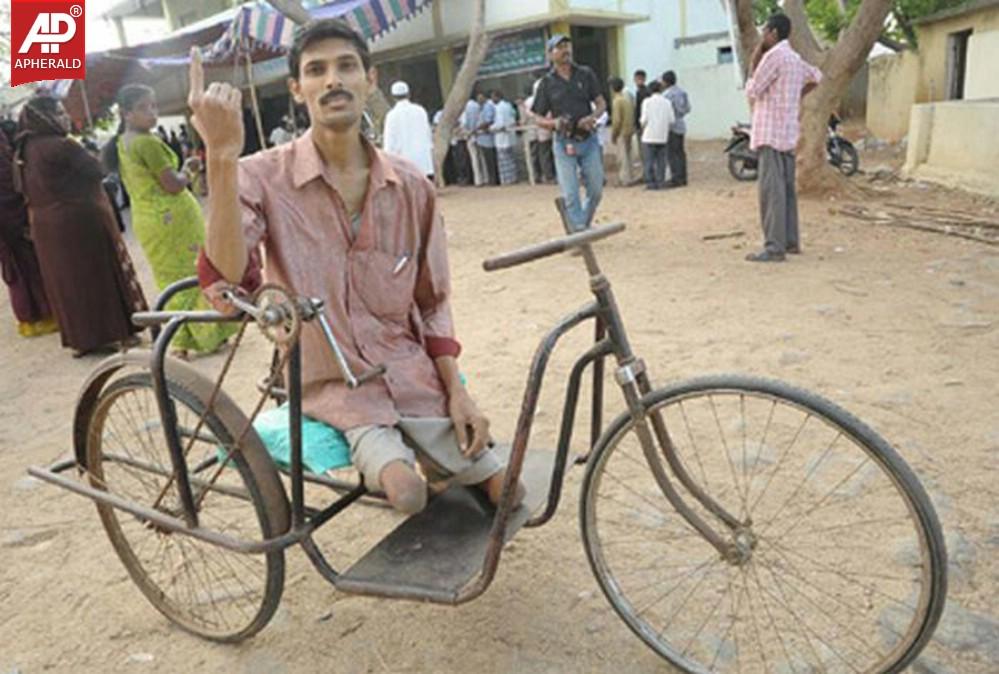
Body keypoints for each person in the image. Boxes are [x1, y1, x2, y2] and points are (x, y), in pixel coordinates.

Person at [188, 20, 524, 515]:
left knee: (510, 496)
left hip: (410, 374)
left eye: (346, 66)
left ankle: (437, 460)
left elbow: (434, 304)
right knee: (407, 495)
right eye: (316, 70)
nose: (332, 81)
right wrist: (220, 155)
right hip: (332, 384)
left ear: (371, 79)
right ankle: (410, 468)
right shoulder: (261, 177)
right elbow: (228, 278)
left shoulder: (411, 187)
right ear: (297, 90)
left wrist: (459, 393)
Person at [107, 84, 237, 357]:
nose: (152, 113)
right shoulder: (147, 143)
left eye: (154, 106)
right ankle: (209, 333)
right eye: (144, 108)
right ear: (126, 114)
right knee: (195, 273)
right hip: (173, 218)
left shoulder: (122, 143)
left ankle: (181, 339)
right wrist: (189, 169)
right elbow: (174, 185)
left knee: (169, 279)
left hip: (149, 220)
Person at [14, 96, 147, 356]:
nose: (65, 118)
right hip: (81, 222)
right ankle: (119, 332)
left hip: (46, 229)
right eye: (60, 113)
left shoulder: (22, 153)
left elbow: (20, 189)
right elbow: (98, 170)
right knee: (99, 276)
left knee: (66, 284)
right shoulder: (62, 146)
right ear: (46, 117)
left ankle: (81, 341)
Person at [745, 13, 822, 262]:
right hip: (788, 132)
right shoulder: (795, 59)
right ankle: (790, 241)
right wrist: (798, 95)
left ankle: (774, 247)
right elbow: (816, 77)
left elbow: (753, 89)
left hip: (769, 132)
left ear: (773, 33)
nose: (762, 36)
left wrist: (755, 57)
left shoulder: (774, 57)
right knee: (787, 190)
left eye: (764, 31)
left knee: (772, 192)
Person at [531, 34, 606, 230]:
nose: (565, 50)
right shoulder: (546, 83)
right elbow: (537, 117)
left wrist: (593, 117)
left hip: (588, 140)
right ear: (549, 55)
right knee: (571, 194)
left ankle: (580, 226)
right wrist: (554, 123)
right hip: (564, 144)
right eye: (559, 47)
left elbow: (601, 103)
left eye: (567, 45)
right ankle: (580, 233)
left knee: (596, 190)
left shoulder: (585, 74)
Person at [0, 118, 57, 337]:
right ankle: (39, 316)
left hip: (8, 214)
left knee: (20, 267)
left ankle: (33, 317)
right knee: (26, 265)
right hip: (9, 215)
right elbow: (7, 179)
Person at [382, 80, 434, 180]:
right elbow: (428, 137)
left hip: (404, 166)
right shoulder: (420, 111)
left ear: (393, 97)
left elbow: (389, 145)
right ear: (409, 94)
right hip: (424, 163)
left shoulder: (392, 116)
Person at [639, 81, 673, 190]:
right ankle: (661, 182)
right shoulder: (667, 102)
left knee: (649, 161)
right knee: (661, 161)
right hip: (662, 135)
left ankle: (651, 183)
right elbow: (672, 120)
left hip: (649, 135)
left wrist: (642, 126)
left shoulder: (647, 102)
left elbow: (643, 120)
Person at [661, 70, 690, 188]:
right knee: (681, 152)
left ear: (666, 82)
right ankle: (683, 177)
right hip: (681, 124)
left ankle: (675, 178)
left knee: (672, 153)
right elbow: (688, 108)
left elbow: (665, 111)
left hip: (671, 126)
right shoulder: (682, 92)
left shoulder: (666, 95)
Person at [525, 79, 555, 184]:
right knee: (545, 154)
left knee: (542, 154)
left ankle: (543, 175)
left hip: (541, 130)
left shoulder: (529, 101)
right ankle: (548, 176)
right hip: (543, 130)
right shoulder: (533, 101)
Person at [608, 76, 636, 187]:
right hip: (629, 130)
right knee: (628, 156)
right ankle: (630, 177)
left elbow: (617, 120)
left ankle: (624, 179)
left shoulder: (617, 101)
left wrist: (614, 135)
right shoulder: (626, 99)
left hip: (622, 132)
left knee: (622, 157)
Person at [490, 90, 518, 185]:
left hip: (502, 137)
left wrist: (491, 128)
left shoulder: (498, 108)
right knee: (511, 159)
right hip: (510, 136)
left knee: (504, 161)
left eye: (493, 97)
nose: (492, 99)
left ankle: (507, 180)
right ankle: (513, 178)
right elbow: (513, 118)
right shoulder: (508, 105)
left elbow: (500, 123)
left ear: (497, 97)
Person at [462, 92, 485, 186]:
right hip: (479, 134)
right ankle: (485, 178)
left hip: (470, 135)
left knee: (474, 159)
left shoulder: (465, 108)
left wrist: (466, 132)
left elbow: (464, 122)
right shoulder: (477, 106)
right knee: (482, 158)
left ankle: (478, 180)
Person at [476, 91, 499, 185]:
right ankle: (491, 179)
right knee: (487, 161)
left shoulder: (488, 106)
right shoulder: (482, 107)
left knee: (491, 161)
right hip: (483, 138)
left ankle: (493, 180)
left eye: (480, 98)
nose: (479, 100)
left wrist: (477, 128)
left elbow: (489, 120)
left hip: (488, 139)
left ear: (484, 97)